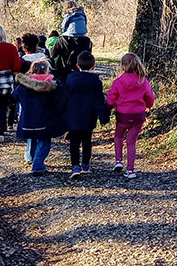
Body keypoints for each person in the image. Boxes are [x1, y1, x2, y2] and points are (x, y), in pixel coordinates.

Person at [57, 51, 109, 181]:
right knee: (87, 141)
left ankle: (75, 166)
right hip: (89, 117)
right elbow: (98, 101)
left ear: (77, 65)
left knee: (74, 142)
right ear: (93, 66)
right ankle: (85, 165)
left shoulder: (70, 79)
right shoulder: (96, 82)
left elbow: (65, 97)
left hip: (72, 116)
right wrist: (103, 117)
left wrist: (60, 110)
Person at [106, 52, 154, 179]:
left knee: (119, 136)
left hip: (123, 115)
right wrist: (148, 105)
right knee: (131, 142)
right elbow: (150, 97)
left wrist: (108, 108)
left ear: (122, 67)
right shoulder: (143, 81)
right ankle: (131, 170)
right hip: (138, 116)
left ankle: (118, 161)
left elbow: (111, 99)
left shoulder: (118, 81)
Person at [13, 60, 64, 174]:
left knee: (32, 136)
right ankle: (38, 164)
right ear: (46, 70)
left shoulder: (23, 84)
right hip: (46, 120)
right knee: (44, 141)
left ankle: (31, 157)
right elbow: (63, 96)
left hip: (27, 120)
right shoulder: (54, 83)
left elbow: (14, 96)